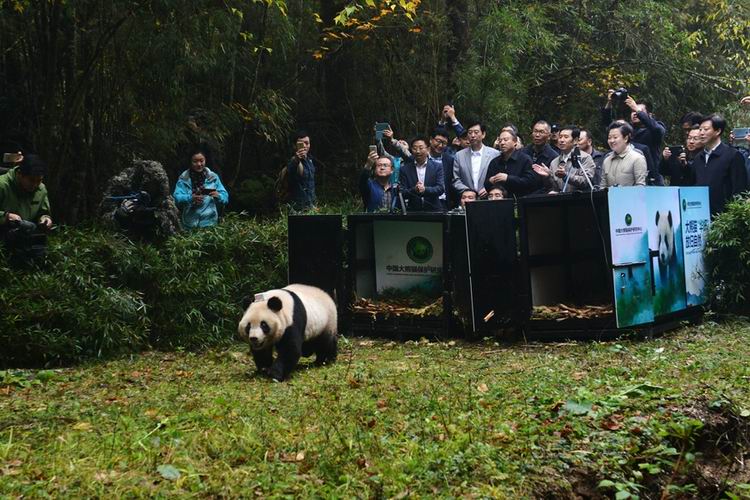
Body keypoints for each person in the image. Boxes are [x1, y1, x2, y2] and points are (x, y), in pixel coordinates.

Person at [100, 160, 180, 241]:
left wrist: (155, 216)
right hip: (122, 241)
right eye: (148, 186)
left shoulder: (161, 194)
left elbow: (172, 232)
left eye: (153, 187)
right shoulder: (121, 187)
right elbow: (103, 222)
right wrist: (119, 214)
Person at [685, 114, 748, 214]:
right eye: (700, 129)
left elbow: (739, 190)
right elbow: (693, 186)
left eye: (706, 129)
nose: (701, 133)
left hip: (724, 220)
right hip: (700, 216)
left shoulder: (733, 155)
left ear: (718, 131)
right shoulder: (698, 159)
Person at [602, 90, 666, 184]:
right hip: (629, 176)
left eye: (639, 111)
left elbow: (657, 130)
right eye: (632, 111)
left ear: (650, 115)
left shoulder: (655, 128)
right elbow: (609, 125)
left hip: (651, 178)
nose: (635, 113)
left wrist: (637, 109)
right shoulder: (628, 130)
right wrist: (610, 102)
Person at [173, 148, 229, 229]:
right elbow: (176, 197)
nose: (199, 164)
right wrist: (190, 198)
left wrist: (219, 196)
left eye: (201, 161)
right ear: (190, 162)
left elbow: (225, 197)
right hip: (189, 224)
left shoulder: (213, 177)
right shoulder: (184, 179)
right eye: (195, 161)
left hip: (210, 223)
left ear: (205, 160)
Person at [532, 125, 596, 193]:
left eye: (566, 137)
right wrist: (548, 176)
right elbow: (554, 187)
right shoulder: (554, 162)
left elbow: (585, 181)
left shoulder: (585, 158)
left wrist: (566, 176)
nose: (561, 140)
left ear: (575, 140)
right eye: (560, 137)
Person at [0, 154, 52, 231]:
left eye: (39, 181)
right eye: (31, 180)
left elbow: (44, 212)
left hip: (25, 235)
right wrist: (6, 217)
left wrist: (45, 218)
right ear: (19, 174)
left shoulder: (41, 189)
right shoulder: (2, 185)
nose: (35, 185)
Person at [452, 121, 500, 199]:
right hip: (467, 199)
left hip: (489, 198)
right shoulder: (459, 155)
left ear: (483, 134)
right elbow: (456, 179)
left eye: (476, 132)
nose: (473, 135)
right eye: (470, 133)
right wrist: (468, 191)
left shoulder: (494, 154)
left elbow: (498, 176)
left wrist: (488, 188)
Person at [484, 129, 538, 197]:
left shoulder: (525, 159)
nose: (502, 143)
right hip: (499, 202)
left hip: (520, 200)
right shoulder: (494, 162)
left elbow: (529, 182)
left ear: (515, 142)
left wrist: (508, 178)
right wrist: (490, 181)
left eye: (505, 140)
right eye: (500, 141)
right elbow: (486, 186)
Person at [399, 137, 445, 212]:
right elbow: (402, 193)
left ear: (428, 149)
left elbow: (440, 188)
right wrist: (414, 190)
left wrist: (425, 189)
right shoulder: (404, 169)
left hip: (434, 210)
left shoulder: (437, 167)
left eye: (421, 148)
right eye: (414, 148)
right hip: (413, 211)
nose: (417, 151)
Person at [599, 122, 647, 188]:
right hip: (610, 198)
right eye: (609, 138)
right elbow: (603, 186)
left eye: (615, 137)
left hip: (629, 198)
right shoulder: (607, 160)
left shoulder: (637, 158)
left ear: (625, 138)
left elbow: (640, 186)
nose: (612, 141)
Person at [287, 130, 317, 211]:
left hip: (311, 205)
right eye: (301, 143)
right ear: (294, 145)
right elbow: (292, 173)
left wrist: (313, 204)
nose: (304, 146)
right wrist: (297, 160)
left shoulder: (310, 160)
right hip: (298, 208)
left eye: (307, 143)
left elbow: (311, 185)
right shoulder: (293, 161)